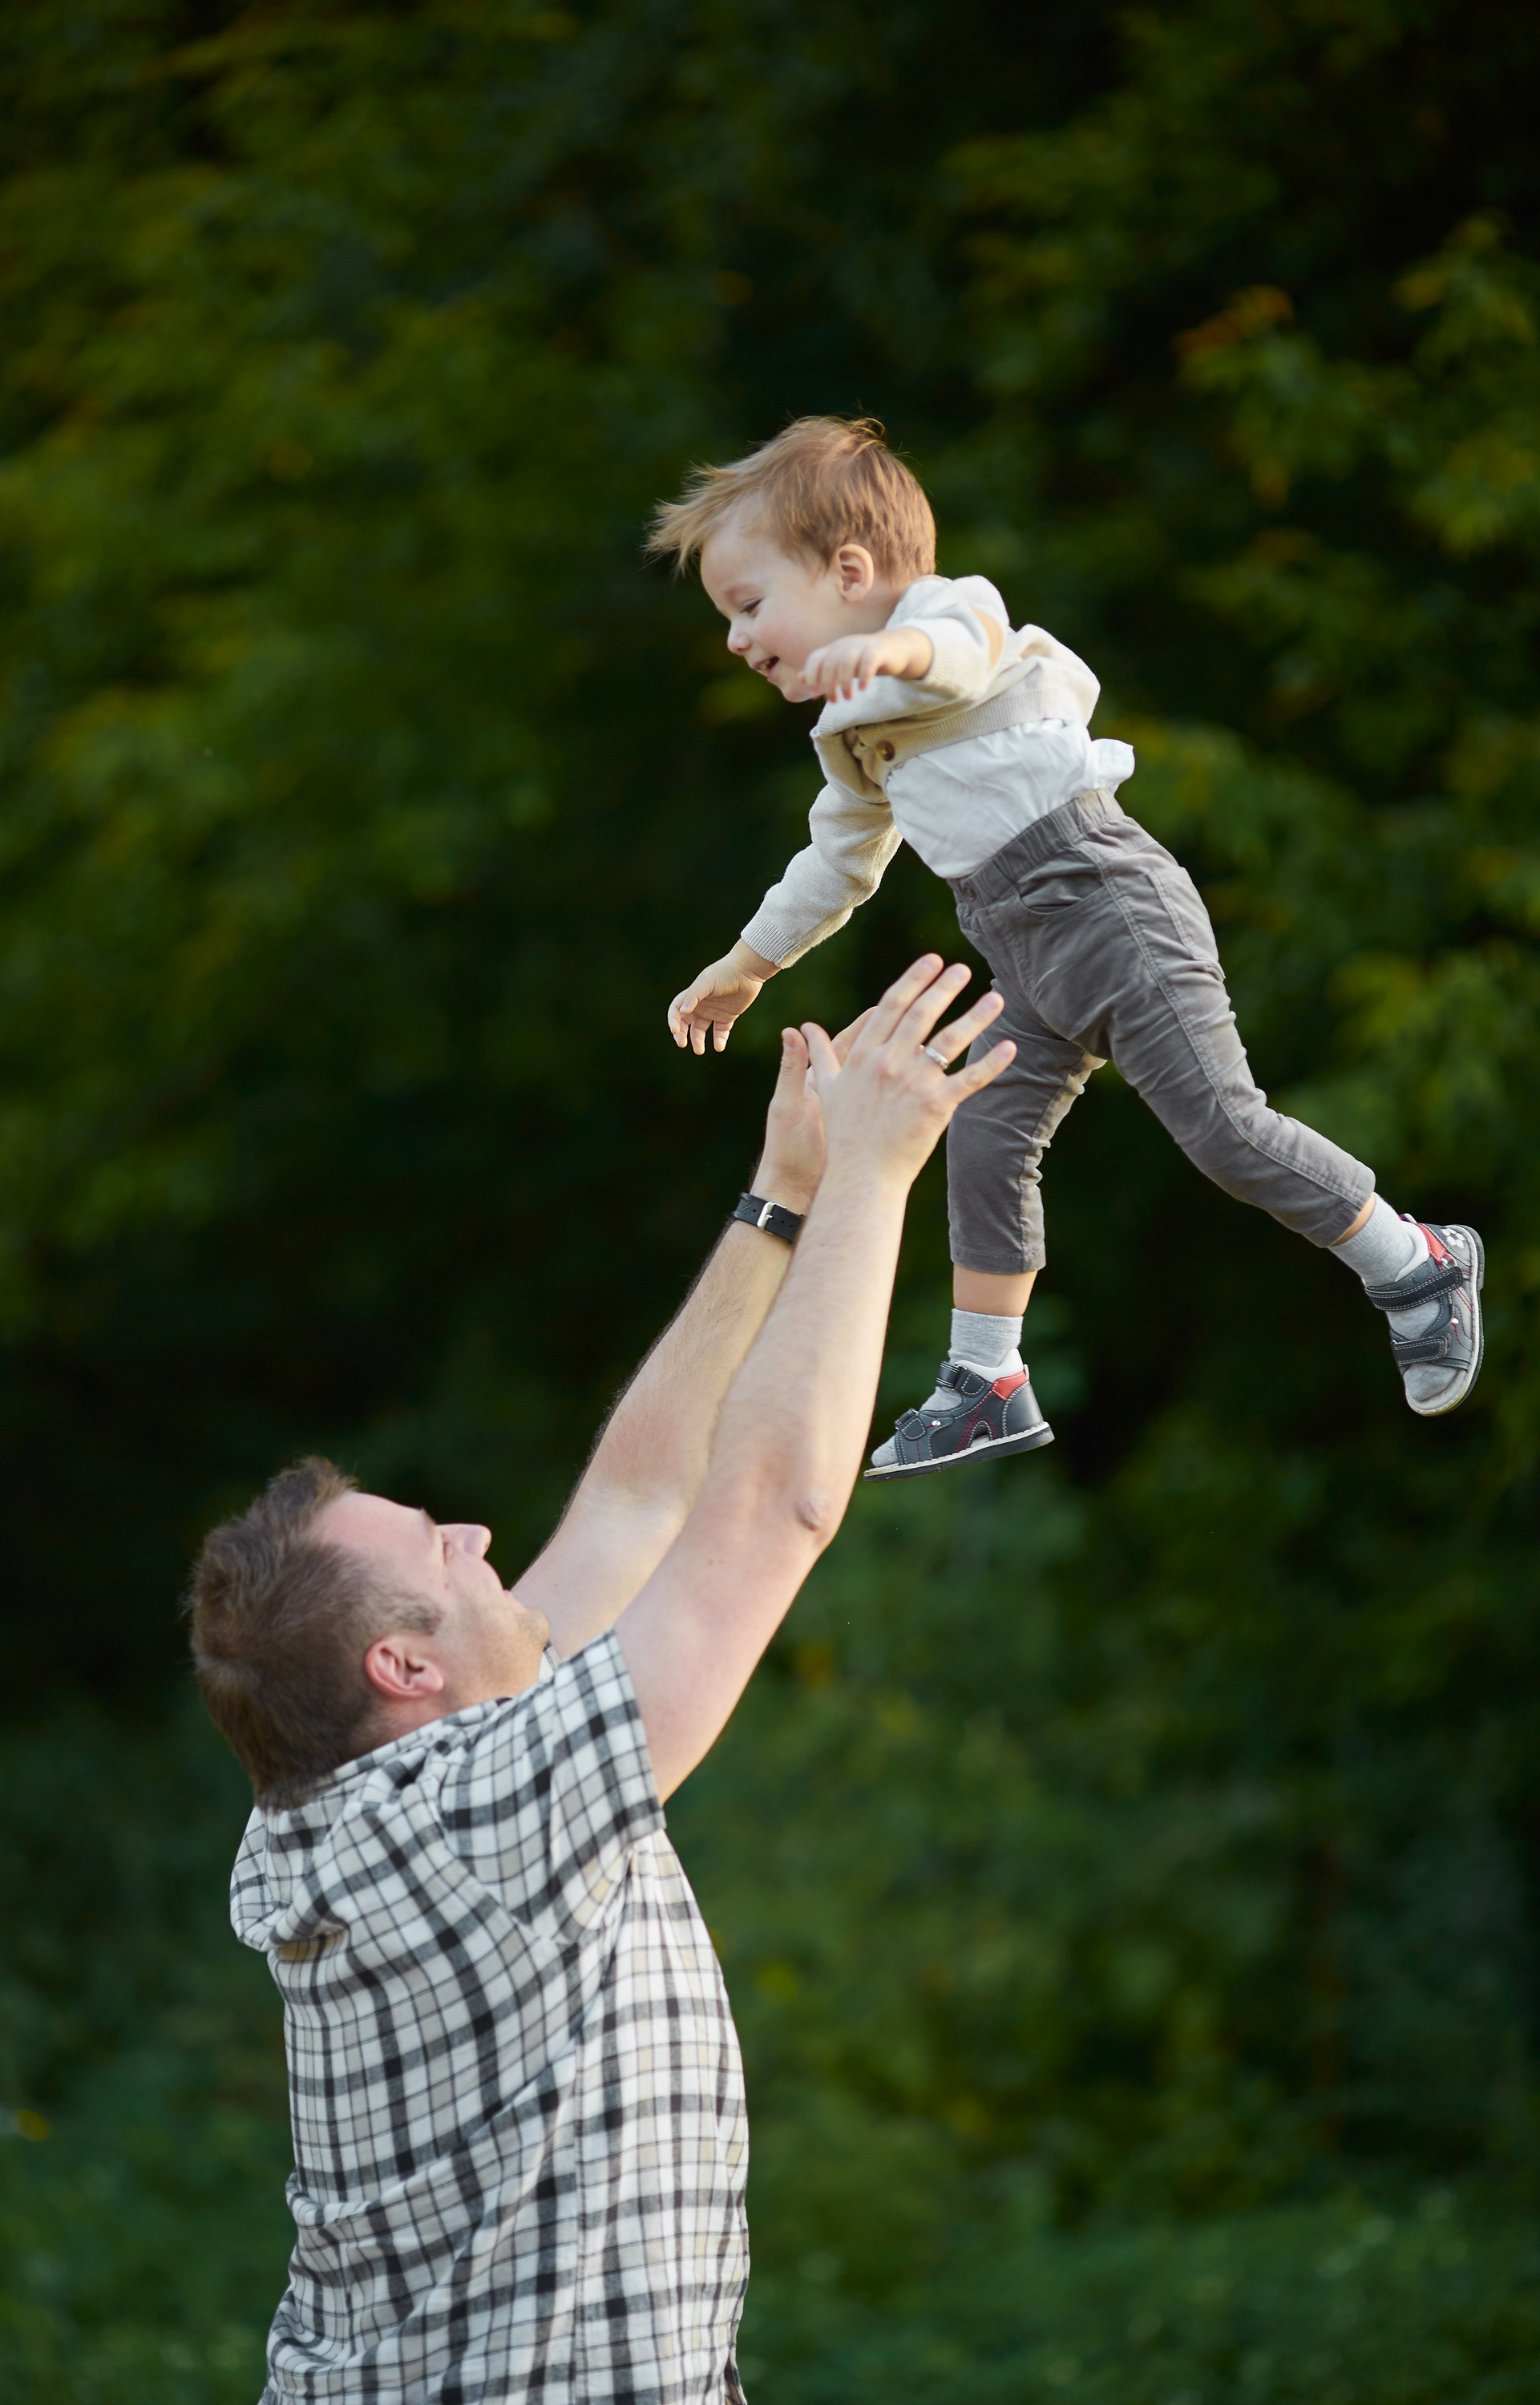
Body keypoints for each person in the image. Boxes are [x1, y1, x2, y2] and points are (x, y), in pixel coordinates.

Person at [185, 957, 1013, 2405]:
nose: (486, 1536)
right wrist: (881, 1176)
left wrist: (782, 1196)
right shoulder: (467, 1814)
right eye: (447, 1549)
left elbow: (638, 1503)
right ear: (405, 1664)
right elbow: (773, 1515)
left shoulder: (368, 1786)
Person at [651, 417, 1485, 1480]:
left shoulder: (944, 615)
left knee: (1224, 1126)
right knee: (987, 1139)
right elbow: (836, 866)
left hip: (1106, 903)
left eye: (748, 605)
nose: (734, 637)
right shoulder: (852, 738)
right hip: (1023, 945)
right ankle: (985, 1379)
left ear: (850, 573)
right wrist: (748, 962)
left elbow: (957, 658)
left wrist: (888, 648)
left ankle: (1415, 1264)